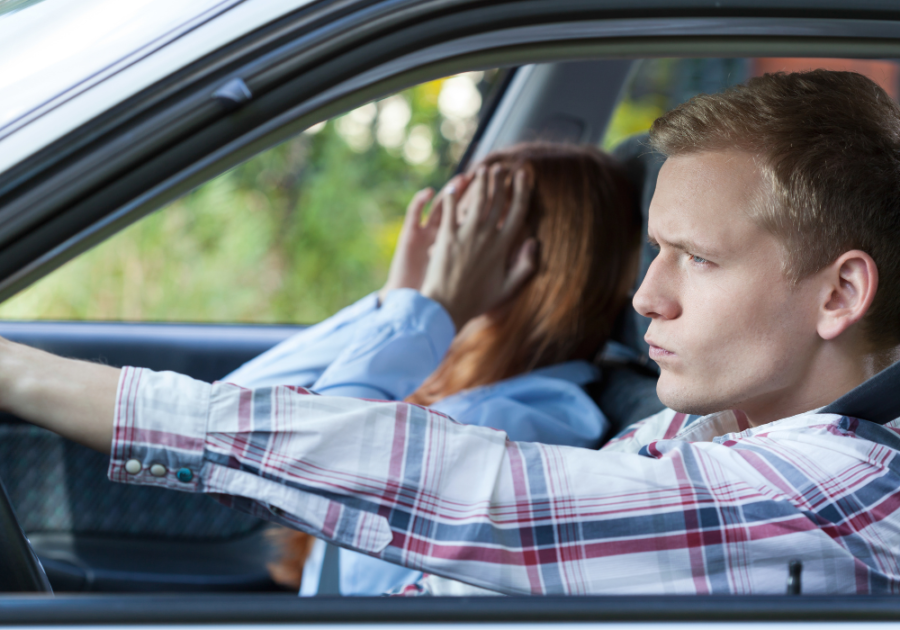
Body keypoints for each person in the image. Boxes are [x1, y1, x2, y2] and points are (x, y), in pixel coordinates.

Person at [3, 69, 900, 594]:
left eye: (697, 259)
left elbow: (483, 492)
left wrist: (33, 379)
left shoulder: (841, 489)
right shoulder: (694, 423)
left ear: (838, 294)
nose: (646, 298)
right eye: (652, 251)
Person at [223, 143, 641, 595]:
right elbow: (232, 411)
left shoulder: (514, 426)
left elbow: (292, 447)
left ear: (525, 260)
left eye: (468, 225)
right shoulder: (453, 376)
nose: (443, 243)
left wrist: (434, 305)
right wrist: (395, 298)